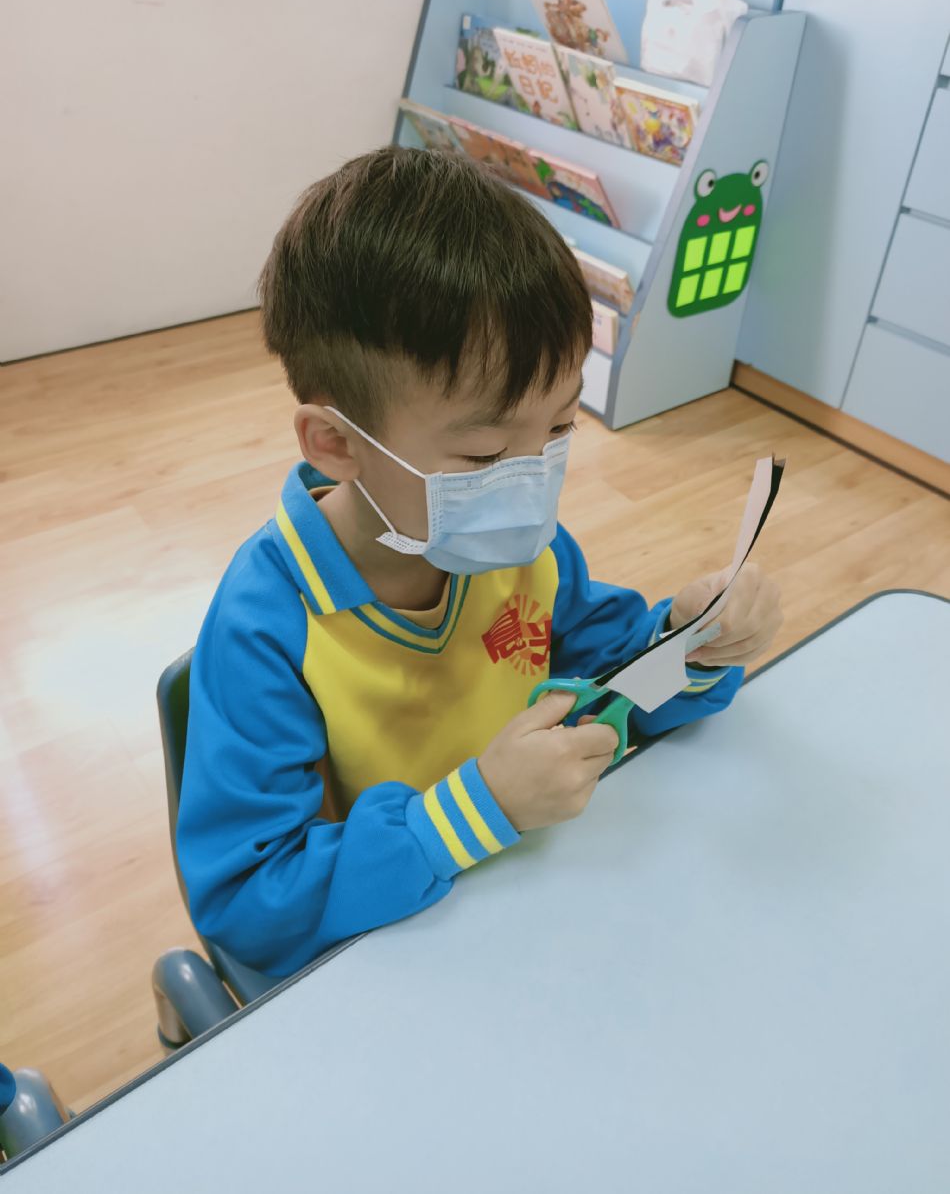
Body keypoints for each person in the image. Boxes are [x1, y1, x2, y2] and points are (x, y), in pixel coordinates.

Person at [176, 147, 782, 977]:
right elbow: (249, 900)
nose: (531, 481)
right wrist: (473, 812)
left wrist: (691, 645)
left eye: (560, 430)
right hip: (395, 945)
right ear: (338, 443)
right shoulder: (268, 626)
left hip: (539, 910)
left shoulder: (523, 548)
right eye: (486, 454)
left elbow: (615, 690)